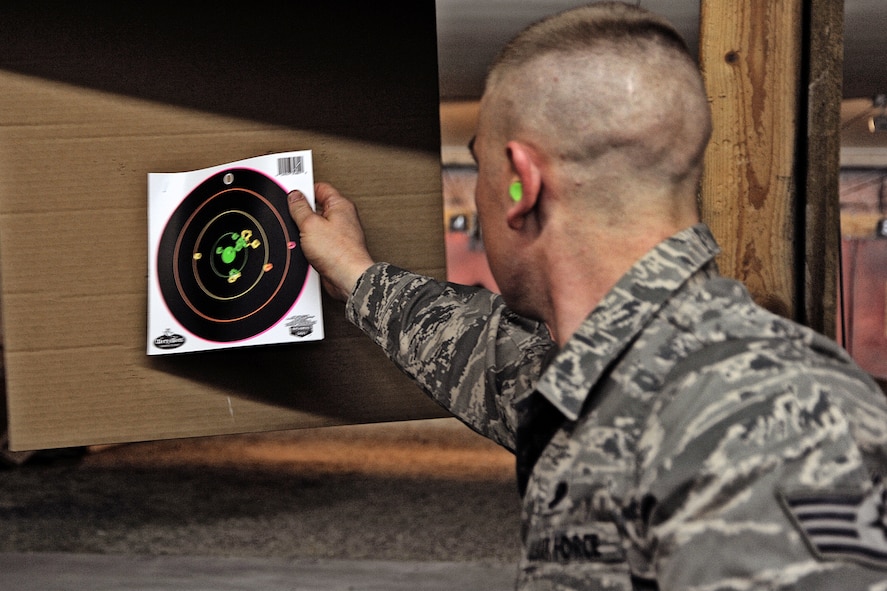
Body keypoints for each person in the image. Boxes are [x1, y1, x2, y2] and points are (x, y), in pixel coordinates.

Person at [287, 2, 887, 589]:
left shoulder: (768, 422)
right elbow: (486, 358)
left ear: (521, 181)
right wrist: (357, 276)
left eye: (481, 171)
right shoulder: (629, 373)